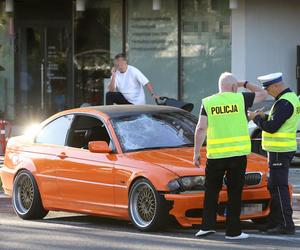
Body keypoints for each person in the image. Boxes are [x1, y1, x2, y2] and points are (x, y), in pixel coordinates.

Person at [193, 72, 267, 239]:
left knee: (211, 191)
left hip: (215, 156)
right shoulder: (240, 99)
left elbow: (200, 128)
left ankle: (206, 226)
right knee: (234, 192)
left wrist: (196, 152)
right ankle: (233, 232)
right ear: (234, 87)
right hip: (237, 155)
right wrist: (245, 83)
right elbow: (263, 93)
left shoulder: (208, 102)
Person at [248, 72, 299, 235]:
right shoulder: (289, 98)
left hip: (279, 151)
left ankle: (285, 224)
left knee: (278, 188)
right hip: (281, 150)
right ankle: (274, 222)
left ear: (277, 86)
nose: (268, 92)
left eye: (269, 89)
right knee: (274, 186)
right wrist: (265, 116)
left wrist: (255, 119)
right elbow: (279, 120)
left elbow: (272, 127)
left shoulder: (284, 102)